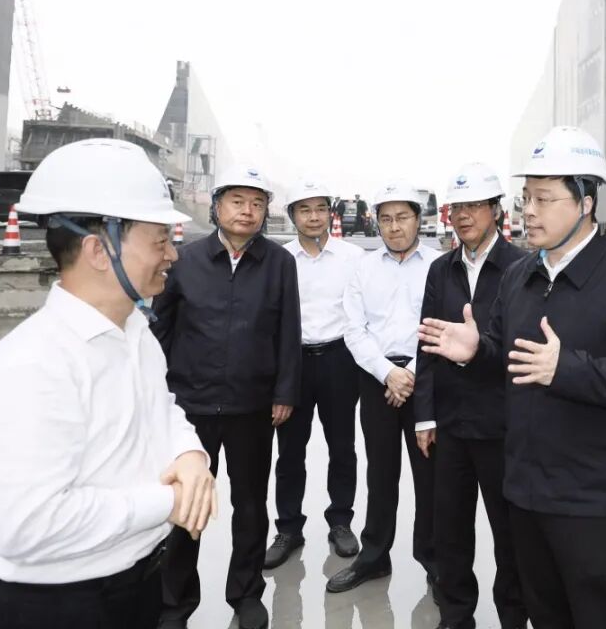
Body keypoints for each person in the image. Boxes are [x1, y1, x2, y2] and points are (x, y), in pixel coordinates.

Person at [418, 127, 606, 629]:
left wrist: (568, 369)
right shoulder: (521, 277)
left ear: (585, 202)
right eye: (526, 198)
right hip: (526, 490)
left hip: (593, 499)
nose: (529, 211)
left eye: (544, 198)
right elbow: (505, 355)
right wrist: (476, 350)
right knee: (544, 613)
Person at [0, 138, 216, 629]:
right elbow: (25, 525)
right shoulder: (33, 364)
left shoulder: (135, 332)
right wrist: (168, 501)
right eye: (159, 241)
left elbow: (162, 407)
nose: (173, 255)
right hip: (60, 606)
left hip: (136, 585)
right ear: (98, 249)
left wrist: (190, 454)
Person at [152, 165, 301, 629]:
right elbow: (160, 330)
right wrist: (156, 394)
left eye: (257, 203)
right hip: (190, 406)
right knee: (185, 506)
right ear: (217, 206)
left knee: (251, 506)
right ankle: (175, 603)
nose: (247, 211)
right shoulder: (186, 260)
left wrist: (284, 391)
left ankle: (246, 593)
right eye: (237, 201)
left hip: (251, 406)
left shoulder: (279, 263)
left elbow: (288, 331)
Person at [413, 163, 529, 629]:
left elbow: (524, 350)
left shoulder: (521, 268)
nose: (463, 216)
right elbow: (426, 345)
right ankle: (456, 615)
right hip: (451, 426)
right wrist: (425, 416)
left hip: (503, 426)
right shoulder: (441, 271)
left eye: (475, 206)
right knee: (451, 532)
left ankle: (513, 617)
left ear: (496, 210)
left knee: (510, 535)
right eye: (456, 207)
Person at [327, 181, 442, 593]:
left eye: (403, 217)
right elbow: (353, 329)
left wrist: (411, 374)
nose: (394, 227)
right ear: (376, 222)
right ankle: (374, 556)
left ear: (418, 219)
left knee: (430, 476)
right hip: (377, 379)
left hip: (426, 380)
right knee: (380, 473)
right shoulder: (363, 268)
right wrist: (388, 373)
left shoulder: (439, 266)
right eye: (386, 219)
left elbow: (441, 326)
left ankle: (434, 560)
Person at [265, 180, 365, 569]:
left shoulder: (353, 257)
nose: (313, 217)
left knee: (342, 447)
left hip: (340, 360)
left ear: (330, 213)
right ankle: (288, 528)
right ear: (292, 215)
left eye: (320, 208)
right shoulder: (280, 259)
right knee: (290, 450)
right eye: (304, 210)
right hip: (295, 362)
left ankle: (341, 522)